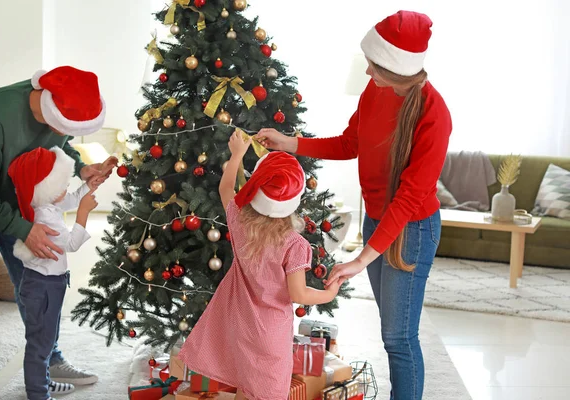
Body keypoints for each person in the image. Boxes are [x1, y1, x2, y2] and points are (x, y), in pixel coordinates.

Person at [256, 10, 452, 400]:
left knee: (399, 337)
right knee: (391, 330)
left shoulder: (434, 114)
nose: (368, 73)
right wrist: (290, 143)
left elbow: (410, 196)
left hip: (411, 229)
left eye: (375, 66)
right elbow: (350, 143)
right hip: (379, 220)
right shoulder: (376, 91)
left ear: (398, 70)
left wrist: (360, 258)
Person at [0, 66, 113, 399]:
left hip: (20, 201)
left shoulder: (61, 109)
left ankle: (51, 360)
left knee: (33, 285)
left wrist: (81, 168)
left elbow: (59, 151)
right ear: (50, 112)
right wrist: (24, 229)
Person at [179, 131, 342, 400]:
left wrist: (237, 154)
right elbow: (299, 294)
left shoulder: (239, 218)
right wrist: (329, 294)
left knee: (246, 385)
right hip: (269, 334)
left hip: (238, 323)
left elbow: (225, 188)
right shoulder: (295, 245)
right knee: (268, 392)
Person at [9, 146, 103, 400]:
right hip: (44, 287)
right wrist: (83, 212)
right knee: (40, 343)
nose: (65, 190)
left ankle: (44, 381)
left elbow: (67, 199)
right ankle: (38, 392)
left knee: (47, 337)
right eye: (60, 184)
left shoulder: (43, 204)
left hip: (49, 284)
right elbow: (71, 243)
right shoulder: (44, 219)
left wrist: (87, 188)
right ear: (45, 189)